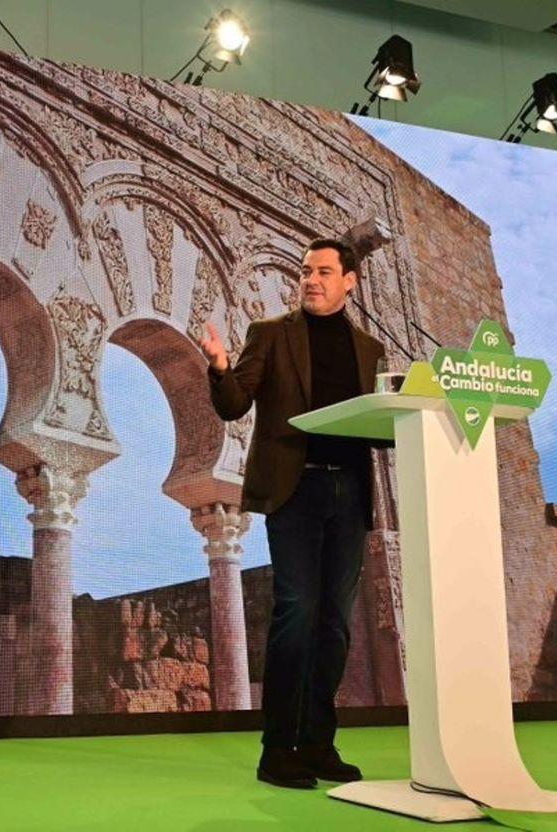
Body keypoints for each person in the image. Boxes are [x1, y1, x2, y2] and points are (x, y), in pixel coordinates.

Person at [199, 238, 389, 790]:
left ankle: (319, 745)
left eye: (324, 272)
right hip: (295, 493)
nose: (311, 279)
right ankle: (278, 749)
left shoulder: (370, 349)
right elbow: (234, 402)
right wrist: (218, 367)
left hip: (350, 494)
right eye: (306, 271)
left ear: (349, 281)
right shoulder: (272, 334)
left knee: (334, 623)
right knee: (297, 615)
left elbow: (381, 430)